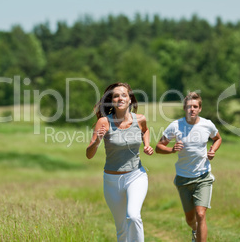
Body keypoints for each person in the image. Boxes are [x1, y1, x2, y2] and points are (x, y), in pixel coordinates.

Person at [86, 82, 154, 242]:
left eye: (124, 95)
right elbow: (89, 154)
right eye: (116, 96)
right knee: (122, 229)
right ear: (112, 101)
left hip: (136, 176)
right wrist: (98, 141)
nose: (120, 98)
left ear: (130, 99)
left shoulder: (140, 119)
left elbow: (145, 130)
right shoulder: (104, 122)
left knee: (133, 216)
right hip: (112, 181)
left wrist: (147, 145)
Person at [155, 92, 222, 242]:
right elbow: (159, 147)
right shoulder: (175, 126)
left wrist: (212, 150)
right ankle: (194, 231)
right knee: (191, 220)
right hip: (183, 178)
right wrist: (172, 149)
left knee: (201, 214)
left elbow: (218, 139)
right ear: (184, 108)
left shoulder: (207, 124)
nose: (192, 109)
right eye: (189, 107)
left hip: (203, 176)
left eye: (195, 107)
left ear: (200, 109)